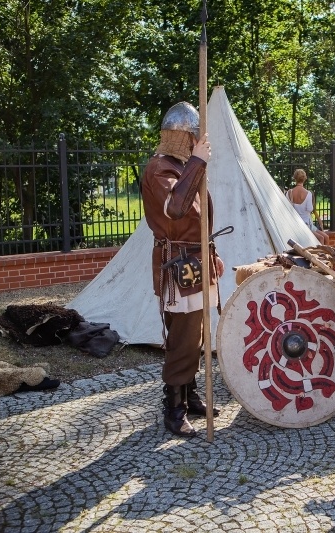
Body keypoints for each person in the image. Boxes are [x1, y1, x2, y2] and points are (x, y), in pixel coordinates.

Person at [141, 101, 225, 437]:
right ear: (183, 136)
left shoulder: (182, 167)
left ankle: (189, 395)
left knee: (197, 333)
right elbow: (175, 209)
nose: (198, 142)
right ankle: (173, 407)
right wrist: (198, 162)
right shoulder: (160, 169)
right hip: (177, 264)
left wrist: (210, 252)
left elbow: (197, 220)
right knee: (182, 337)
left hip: (196, 259)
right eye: (194, 136)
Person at [286, 169, 329, 245]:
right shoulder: (308, 193)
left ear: (295, 178)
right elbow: (310, 209)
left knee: (324, 237)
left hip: (296, 223)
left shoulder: (290, 192)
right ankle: (322, 255)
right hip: (306, 224)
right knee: (323, 238)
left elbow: (287, 208)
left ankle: (325, 255)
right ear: (305, 178)